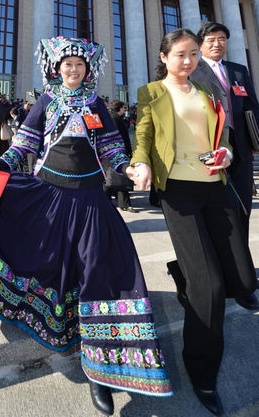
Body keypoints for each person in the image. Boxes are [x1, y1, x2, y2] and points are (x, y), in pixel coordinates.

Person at [0, 37, 172, 416]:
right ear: (58, 69)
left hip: (90, 202)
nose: (74, 71)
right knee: (27, 246)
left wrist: (128, 167)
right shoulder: (44, 101)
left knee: (101, 277)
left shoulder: (96, 104)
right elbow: (24, 144)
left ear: (88, 71)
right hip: (48, 195)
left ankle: (101, 374)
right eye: (67, 65)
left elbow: (110, 146)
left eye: (80, 66)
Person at [129, 28, 256, 416]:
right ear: (165, 57)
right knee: (210, 287)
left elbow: (225, 138)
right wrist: (141, 162)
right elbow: (144, 134)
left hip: (216, 187)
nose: (188, 62)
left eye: (193, 55)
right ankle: (202, 372)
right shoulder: (151, 92)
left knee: (244, 280)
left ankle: (183, 273)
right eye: (181, 55)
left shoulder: (206, 93)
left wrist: (226, 155)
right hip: (179, 193)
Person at [191, 21, 259, 310]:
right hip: (207, 155)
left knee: (241, 215)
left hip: (241, 155)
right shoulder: (192, 70)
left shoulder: (238, 71)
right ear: (201, 44)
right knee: (212, 219)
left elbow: (253, 107)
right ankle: (213, 276)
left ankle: (242, 281)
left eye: (222, 39)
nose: (217, 43)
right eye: (211, 39)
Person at [103, 99, 133, 211]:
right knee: (118, 176)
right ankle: (123, 203)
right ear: (120, 109)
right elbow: (120, 136)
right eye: (123, 108)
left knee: (111, 177)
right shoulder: (114, 118)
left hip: (110, 151)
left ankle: (120, 202)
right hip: (116, 151)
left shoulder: (111, 117)